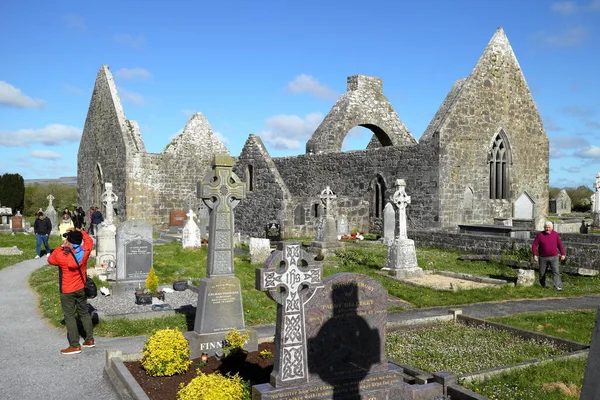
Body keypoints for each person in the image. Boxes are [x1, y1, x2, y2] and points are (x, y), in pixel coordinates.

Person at [48, 228, 95, 355]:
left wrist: (61, 246)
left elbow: (50, 259)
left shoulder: (62, 255)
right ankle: (89, 340)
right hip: (81, 287)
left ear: (68, 241)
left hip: (67, 290)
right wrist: (80, 232)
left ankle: (74, 345)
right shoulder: (85, 251)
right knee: (84, 313)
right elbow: (89, 240)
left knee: (69, 316)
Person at [532, 221, 566, 291]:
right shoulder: (540, 235)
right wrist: (534, 255)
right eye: (546, 227)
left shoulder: (555, 234)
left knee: (556, 271)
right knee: (542, 273)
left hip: (554, 257)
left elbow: (559, 245)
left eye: (549, 227)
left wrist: (563, 254)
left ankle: (557, 286)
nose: (547, 229)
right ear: (544, 228)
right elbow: (534, 245)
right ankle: (543, 285)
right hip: (543, 257)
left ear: (552, 228)